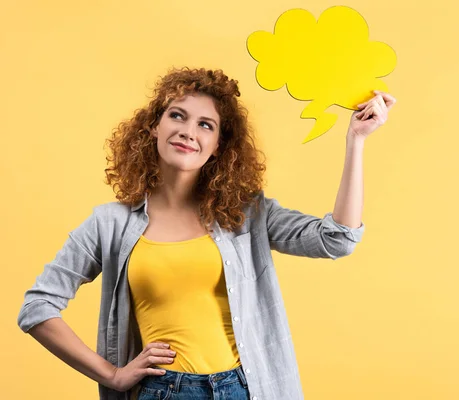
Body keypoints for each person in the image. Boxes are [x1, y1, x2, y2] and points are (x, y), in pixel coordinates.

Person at [17, 67, 396, 400]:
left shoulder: (247, 214)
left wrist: (356, 141)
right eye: (177, 116)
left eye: (205, 125)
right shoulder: (108, 224)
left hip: (245, 388)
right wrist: (113, 375)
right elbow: (37, 308)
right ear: (154, 126)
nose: (187, 131)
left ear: (217, 147)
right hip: (165, 390)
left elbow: (337, 239)